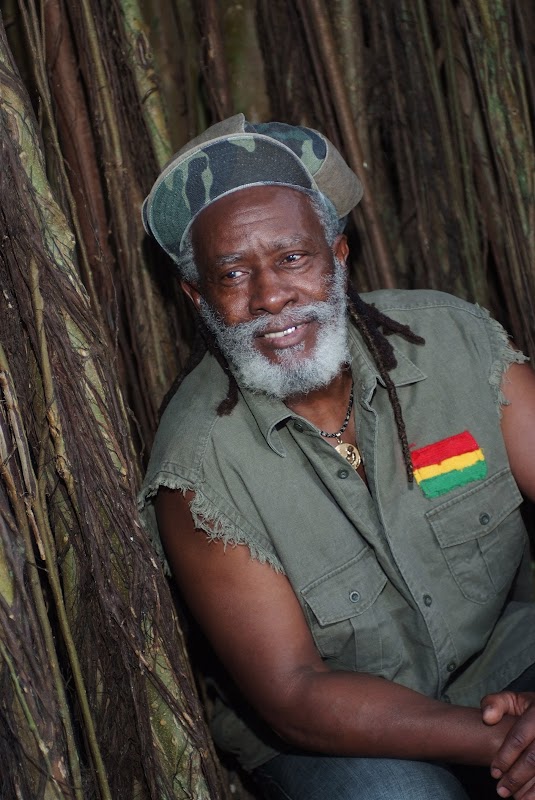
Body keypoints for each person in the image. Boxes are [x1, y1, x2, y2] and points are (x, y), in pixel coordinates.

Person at [139, 114, 535, 800]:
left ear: (337, 255)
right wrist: (508, 743)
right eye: (233, 274)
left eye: (293, 258)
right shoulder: (199, 471)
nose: (270, 297)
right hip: (332, 729)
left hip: (502, 655)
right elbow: (296, 694)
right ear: (199, 297)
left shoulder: (454, 345)